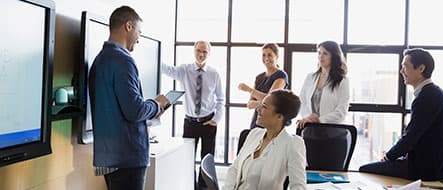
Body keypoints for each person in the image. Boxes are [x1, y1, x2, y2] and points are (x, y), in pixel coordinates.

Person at [88, 6, 170, 190]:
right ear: (128, 26)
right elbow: (135, 111)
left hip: (109, 157)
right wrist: (157, 105)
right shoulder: (123, 60)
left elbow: (116, 110)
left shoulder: (100, 59)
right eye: (139, 32)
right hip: (127, 158)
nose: (139, 39)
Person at [359, 48, 443, 181]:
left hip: (426, 170)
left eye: (405, 66)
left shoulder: (426, 98)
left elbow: (411, 137)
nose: (401, 71)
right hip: (437, 167)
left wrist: (388, 157)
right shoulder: (435, 93)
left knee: (364, 169)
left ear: (421, 68)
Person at [160, 40, 224, 189]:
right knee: (188, 159)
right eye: (198, 51)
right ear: (194, 51)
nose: (201, 54)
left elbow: (221, 98)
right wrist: (154, 55)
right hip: (190, 123)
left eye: (205, 52)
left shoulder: (214, 73)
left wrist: (217, 119)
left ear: (209, 53)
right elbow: (167, 70)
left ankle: (204, 187)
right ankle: (191, 185)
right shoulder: (184, 70)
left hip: (208, 122)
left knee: (207, 159)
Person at [223, 89, 306, 190]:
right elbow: (234, 169)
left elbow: (298, 186)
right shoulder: (254, 134)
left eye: (264, 107)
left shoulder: (292, 144)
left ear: (279, 117)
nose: (258, 109)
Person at [296, 41, 350, 133]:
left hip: (333, 132)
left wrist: (319, 120)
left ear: (334, 56)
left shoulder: (343, 81)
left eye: (325, 53)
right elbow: (302, 102)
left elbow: (341, 112)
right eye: (319, 53)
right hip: (310, 129)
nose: (321, 56)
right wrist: (309, 117)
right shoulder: (310, 77)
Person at [238, 43, 289, 129]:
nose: (266, 58)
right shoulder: (259, 77)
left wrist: (249, 89)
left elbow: (270, 99)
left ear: (277, 56)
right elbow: (250, 104)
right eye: (264, 55)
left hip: (272, 123)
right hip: (257, 121)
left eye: (270, 55)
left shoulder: (281, 75)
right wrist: (265, 105)